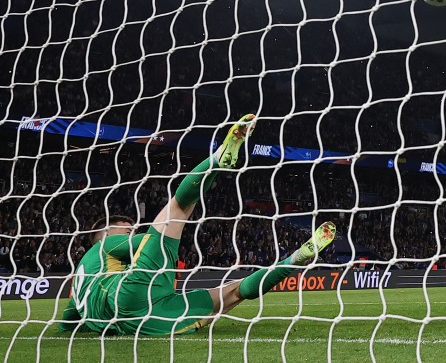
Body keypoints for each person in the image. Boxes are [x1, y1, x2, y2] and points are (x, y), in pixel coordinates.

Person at [59, 115, 337, 335]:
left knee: (234, 292)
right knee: (177, 210)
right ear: (104, 233)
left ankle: (295, 259)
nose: (132, 231)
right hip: (130, 292)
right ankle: (217, 159)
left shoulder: (79, 285)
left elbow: (67, 323)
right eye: (125, 229)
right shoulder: (104, 245)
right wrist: (162, 242)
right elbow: (149, 239)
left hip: (141, 322)